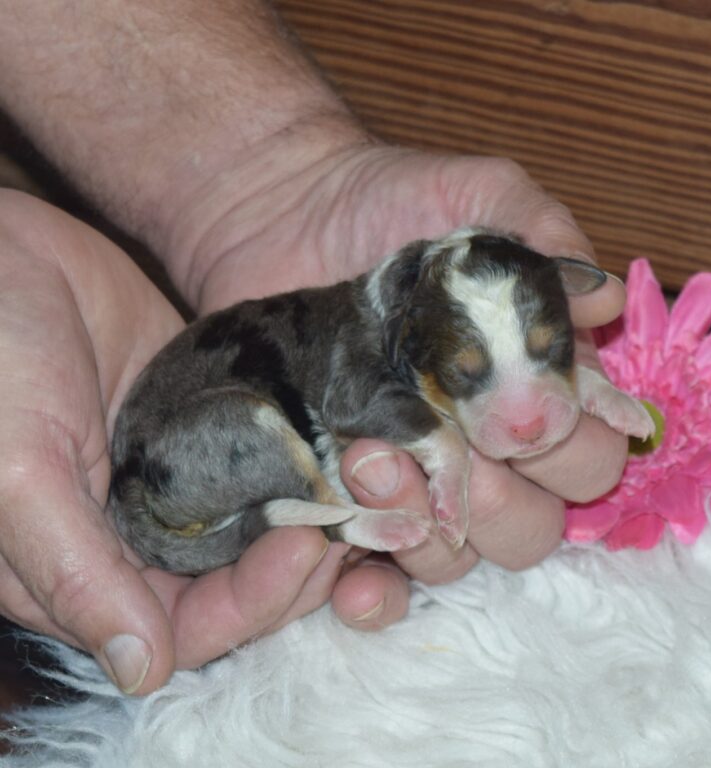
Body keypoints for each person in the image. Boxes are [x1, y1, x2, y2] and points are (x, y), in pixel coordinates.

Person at [0, 1, 629, 696]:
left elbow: (507, 375)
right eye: (467, 375)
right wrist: (445, 454)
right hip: (182, 473)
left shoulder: (415, 320)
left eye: (551, 352)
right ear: (408, 342)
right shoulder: (376, 340)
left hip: (218, 455)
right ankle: (309, 516)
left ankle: (307, 516)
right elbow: (356, 401)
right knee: (305, 452)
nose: (525, 415)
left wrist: (592, 390)